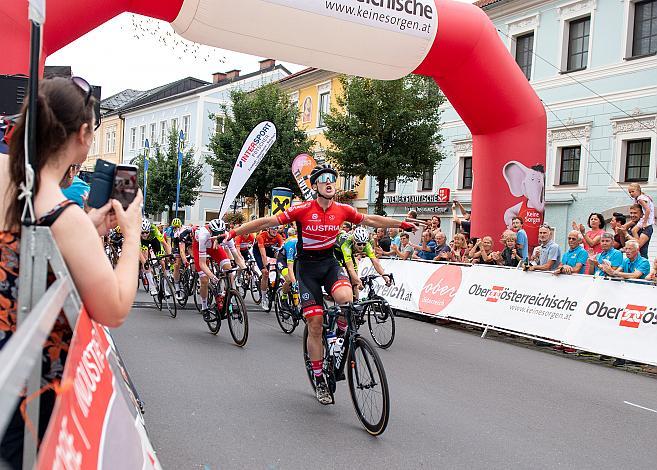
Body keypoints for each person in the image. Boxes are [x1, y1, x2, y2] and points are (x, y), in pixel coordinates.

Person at [0, 77, 142, 468]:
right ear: (82, 134)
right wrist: (132, 236)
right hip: (34, 385)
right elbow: (114, 308)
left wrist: (89, 225)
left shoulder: (15, 188)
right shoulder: (63, 214)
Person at [223, 164, 416, 404]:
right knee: (314, 324)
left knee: (347, 299)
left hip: (329, 264)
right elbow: (266, 221)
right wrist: (233, 233)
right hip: (306, 269)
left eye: (332, 179)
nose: (328, 182)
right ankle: (319, 379)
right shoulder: (303, 209)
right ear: (314, 186)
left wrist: (401, 224)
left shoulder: (342, 210)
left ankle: (339, 338)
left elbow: (370, 220)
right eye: (323, 179)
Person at [192, 219, 233, 321]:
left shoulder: (226, 234)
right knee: (205, 279)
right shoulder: (203, 235)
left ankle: (227, 297)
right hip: (199, 247)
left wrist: (242, 267)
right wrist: (212, 276)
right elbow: (202, 263)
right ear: (210, 231)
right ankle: (204, 307)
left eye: (221, 233)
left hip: (214, 247)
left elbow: (235, 255)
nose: (219, 235)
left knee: (229, 270)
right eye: (216, 233)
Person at [334, 226, 390, 299]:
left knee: (355, 279)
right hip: (337, 252)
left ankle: (356, 303)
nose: (362, 246)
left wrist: (385, 276)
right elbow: (350, 268)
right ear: (354, 241)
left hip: (350, 253)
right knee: (344, 273)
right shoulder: (347, 244)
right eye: (359, 244)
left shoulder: (367, 245)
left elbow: (375, 262)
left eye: (364, 244)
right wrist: (358, 281)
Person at [139, 218, 172, 296]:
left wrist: (170, 255)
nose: (144, 235)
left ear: (149, 230)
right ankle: (152, 286)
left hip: (154, 240)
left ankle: (164, 288)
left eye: (146, 232)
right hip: (143, 243)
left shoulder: (154, 229)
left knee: (162, 262)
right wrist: (144, 262)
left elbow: (165, 244)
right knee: (145, 262)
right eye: (142, 233)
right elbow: (138, 251)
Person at [254, 226, 284, 309]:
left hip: (269, 250)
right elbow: (263, 255)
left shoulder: (278, 236)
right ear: (268, 229)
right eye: (273, 229)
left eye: (276, 229)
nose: (275, 231)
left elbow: (282, 250)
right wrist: (265, 266)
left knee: (279, 255)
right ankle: (263, 299)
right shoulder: (261, 236)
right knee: (265, 273)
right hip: (259, 252)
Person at [278, 228, 298, 302]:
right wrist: (294, 283)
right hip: (283, 260)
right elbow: (290, 267)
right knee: (289, 279)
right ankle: (284, 297)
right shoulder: (291, 246)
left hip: (295, 260)